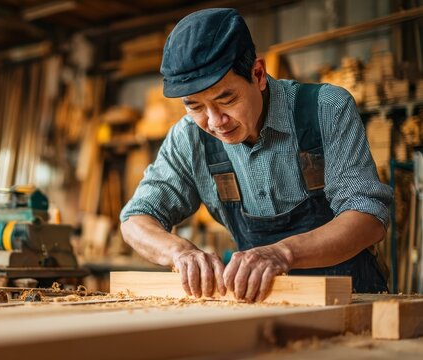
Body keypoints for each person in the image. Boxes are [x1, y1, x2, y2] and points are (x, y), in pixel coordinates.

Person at [120, 8, 392, 302]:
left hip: (351, 299)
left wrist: (281, 253)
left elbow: (368, 218)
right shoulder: (189, 138)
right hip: (262, 307)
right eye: (195, 106)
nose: (215, 121)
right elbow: (135, 221)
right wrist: (179, 252)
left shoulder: (326, 108)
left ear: (258, 74)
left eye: (227, 99)